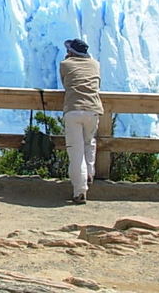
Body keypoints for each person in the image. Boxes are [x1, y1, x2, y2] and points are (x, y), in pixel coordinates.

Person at [59, 38, 103, 205]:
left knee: (76, 152)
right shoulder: (95, 64)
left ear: (71, 52)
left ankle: (80, 191)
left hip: (73, 110)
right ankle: (89, 173)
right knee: (89, 143)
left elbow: (66, 83)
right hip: (93, 109)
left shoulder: (65, 64)